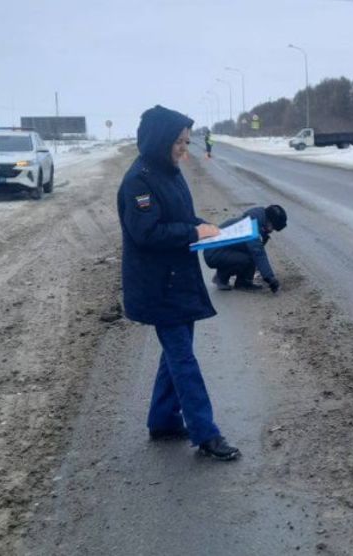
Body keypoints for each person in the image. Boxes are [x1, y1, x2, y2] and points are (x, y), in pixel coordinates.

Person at [117, 105, 240, 461]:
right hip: (159, 285)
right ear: (161, 141)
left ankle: (163, 420)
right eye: (181, 143)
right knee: (183, 357)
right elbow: (146, 232)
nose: (185, 150)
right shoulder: (138, 180)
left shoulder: (167, 170)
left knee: (176, 351)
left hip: (176, 279)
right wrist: (192, 231)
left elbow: (179, 217)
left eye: (187, 143)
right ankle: (206, 433)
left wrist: (207, 227)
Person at [203, 205, 287, 293]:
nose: (271, 230)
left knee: (251, 254)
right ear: (268, 221)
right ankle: (227, 279)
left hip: (218, 250)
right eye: (272, 227)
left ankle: (233, 279)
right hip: (213, 252)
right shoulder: (251, 227)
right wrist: (270, 278)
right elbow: (258, 253)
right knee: (249, 258)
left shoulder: (255, 221)